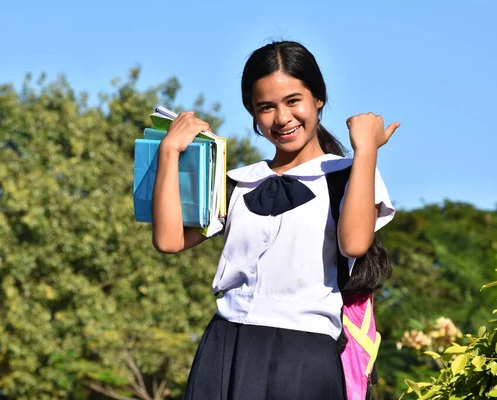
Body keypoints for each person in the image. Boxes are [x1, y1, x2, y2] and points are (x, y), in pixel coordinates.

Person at [151, 40, 398, 400]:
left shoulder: (349, 173)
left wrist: (366, 150)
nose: (282, 118)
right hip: (226, 346)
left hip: (304, 354)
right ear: (252, 111)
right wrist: (169, 152)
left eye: (293, 101)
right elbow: (169, 240)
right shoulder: (236, 181)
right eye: (266, 107)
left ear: (318, 99)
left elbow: (354, 244)